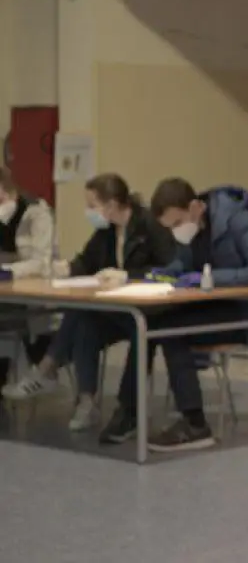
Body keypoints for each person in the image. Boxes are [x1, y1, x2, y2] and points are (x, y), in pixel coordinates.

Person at [108, 178, 248, 452]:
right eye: (170, 228)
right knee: (150, 321)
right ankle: (128, 410)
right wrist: (168, 272)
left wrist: (209, 278)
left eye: (177, 223)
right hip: (218, 305)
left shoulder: (241, 222)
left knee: (170, 329)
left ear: (194, 207)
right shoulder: (194, 230)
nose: (176, 231)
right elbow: (185, 262)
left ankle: (195, 424)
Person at [2, 173, 176, 433]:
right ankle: (86, 402)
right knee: (83, 320)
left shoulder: (148, 226)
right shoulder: (107, 231)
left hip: (149, 311)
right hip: (119, 310)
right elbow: (86, 261)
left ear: (112, 205)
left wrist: (129, 276)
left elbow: (170, 269)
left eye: (92, 205)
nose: (88, 211)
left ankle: (47, 369)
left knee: (84, 315)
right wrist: (63, 270)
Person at [0, 166, 56, 391]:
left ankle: (39, 369)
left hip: (32, 288)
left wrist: (9, 270)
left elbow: (42, 262)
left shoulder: (36, 212)